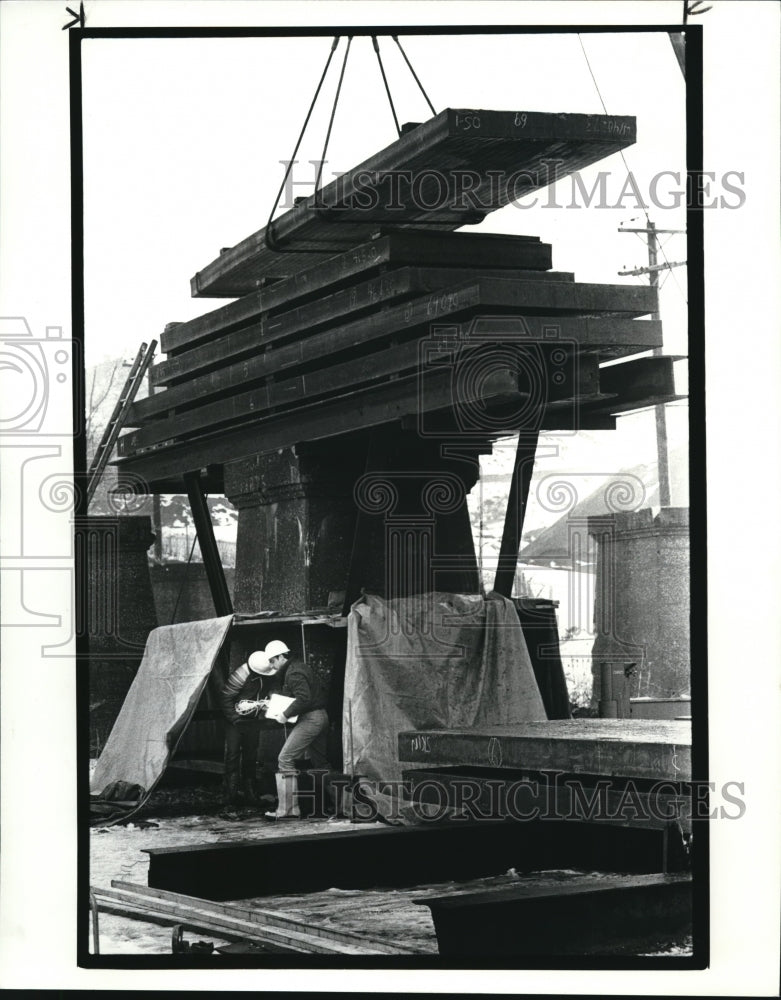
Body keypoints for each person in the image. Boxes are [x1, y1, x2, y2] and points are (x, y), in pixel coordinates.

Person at [261, 639, 330, 820]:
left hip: (311, 718)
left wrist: (284, 714)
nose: (271, 665)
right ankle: (338, 805)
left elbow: (303, 699)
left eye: (272, 661)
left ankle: (288, 810)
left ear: (281, 657)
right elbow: (300, 695)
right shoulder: (299, 667)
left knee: (285, 758)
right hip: (321, 716)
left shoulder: (293, 673)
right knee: (320, 763)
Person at [220, 649, 277, 807]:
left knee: (251, 753)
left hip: (252, 721)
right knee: (232, 754)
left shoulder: (268, 673)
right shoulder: (240, 675)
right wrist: (235, 719)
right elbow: (225, 698)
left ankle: (249, 791)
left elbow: (270, 690)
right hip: (235, 721)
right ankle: (230, 793)